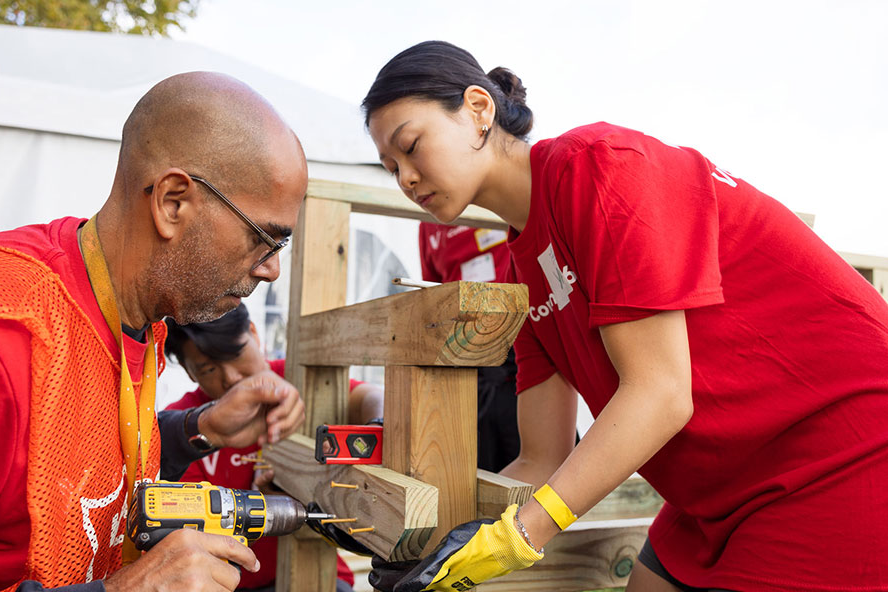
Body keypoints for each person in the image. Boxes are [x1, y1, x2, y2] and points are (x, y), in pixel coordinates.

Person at [361, 41, 888, 592]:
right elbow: (542, 459)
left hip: (838, 451)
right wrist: (424, 536)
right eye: (391, 167)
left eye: (411, 146)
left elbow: (660, 392)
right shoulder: (522, 270)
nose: (406, 178)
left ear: (478, 110)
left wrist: (519, 536)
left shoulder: (598, 166)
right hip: (719, 488)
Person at [0, 72, 309, 592]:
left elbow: (58, 459)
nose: (271, 270)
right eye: (265, 239)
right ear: (173, 201)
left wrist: (197, 430)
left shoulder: (129, 307)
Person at [163, 302, 383, 591]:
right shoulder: (182, 431)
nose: (231, 378)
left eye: (235, 353)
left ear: (253, 333)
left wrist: (379, 423)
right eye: (208, 369)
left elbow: (373, 397)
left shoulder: (299, 377)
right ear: (190, 374)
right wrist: (267, 506)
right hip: (233, 584)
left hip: (319, 573)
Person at [418, 221, 520, 472]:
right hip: (466, 362)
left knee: (538, 462)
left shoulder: (498, 198)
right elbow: (433, 295)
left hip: (519, 348)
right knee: (473, 469)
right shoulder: (429, 222)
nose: (408, 180)